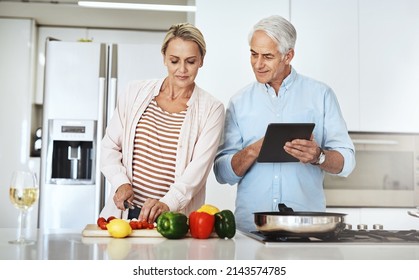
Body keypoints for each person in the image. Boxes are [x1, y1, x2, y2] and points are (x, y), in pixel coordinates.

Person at [213, 15, 355, 232]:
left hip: (306, 227)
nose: (258, 64)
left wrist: (319, 156)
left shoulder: (321, 95)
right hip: (251, 228)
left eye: (267, 56)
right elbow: (222, 173)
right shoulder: (239, 102)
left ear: (288, 56)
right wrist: (253, 150)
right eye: (253, 54)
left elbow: (347, 162)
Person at [100, 23, 225, 224]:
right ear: (164, 57)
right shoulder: (135, 92)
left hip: (172, 220)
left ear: (201, 60)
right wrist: (119, 182)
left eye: (191, 61)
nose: (182, 70)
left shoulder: (212, 109)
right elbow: (110, 146)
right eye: (174, 61)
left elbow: (198, 170)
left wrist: (168, 202)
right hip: (124, 215)